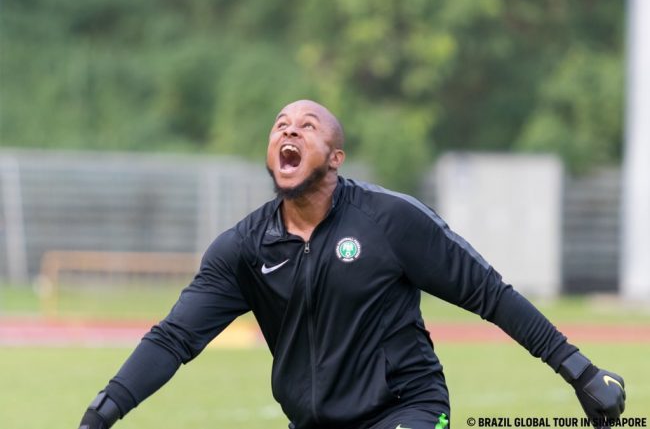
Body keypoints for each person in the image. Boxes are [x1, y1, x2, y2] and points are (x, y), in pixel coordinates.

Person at [79, 100, 626, 429]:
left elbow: (491, 294)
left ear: (335, 158)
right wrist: (101, 412)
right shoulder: (243, 248)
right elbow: (173, 339)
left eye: (308, 126)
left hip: (406, 410)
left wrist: (579, 372)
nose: (290, 130)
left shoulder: (390, 221)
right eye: (281, 125)